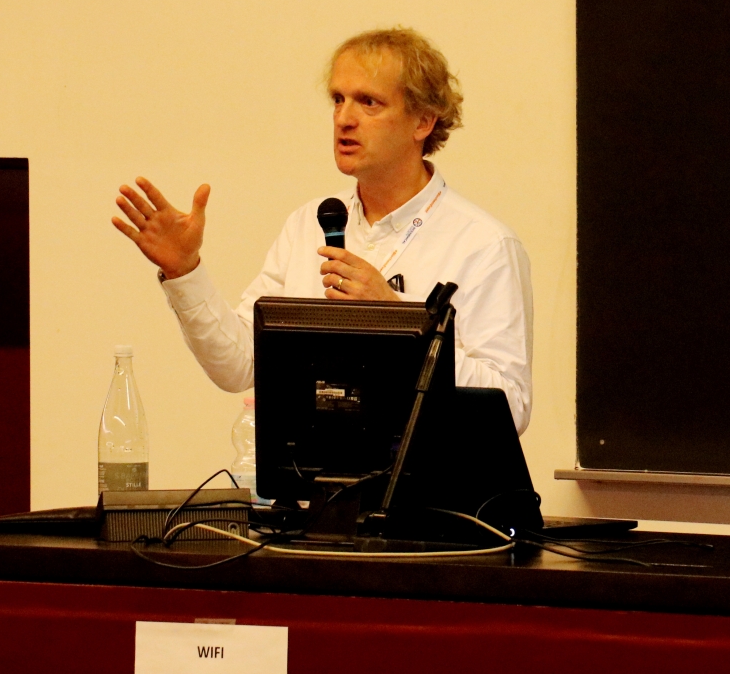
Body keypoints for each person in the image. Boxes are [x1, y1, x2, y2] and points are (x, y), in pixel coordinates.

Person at [113, 27, 533, 433]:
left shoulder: (484, 245)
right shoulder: (308, 225)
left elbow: (510, 407)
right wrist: (185, 271)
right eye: (338, 99)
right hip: (314, 477)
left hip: (431, 480)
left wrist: (399, 320)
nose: (344, 119)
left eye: (368, 102)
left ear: (422, 121)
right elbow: (239, 367)